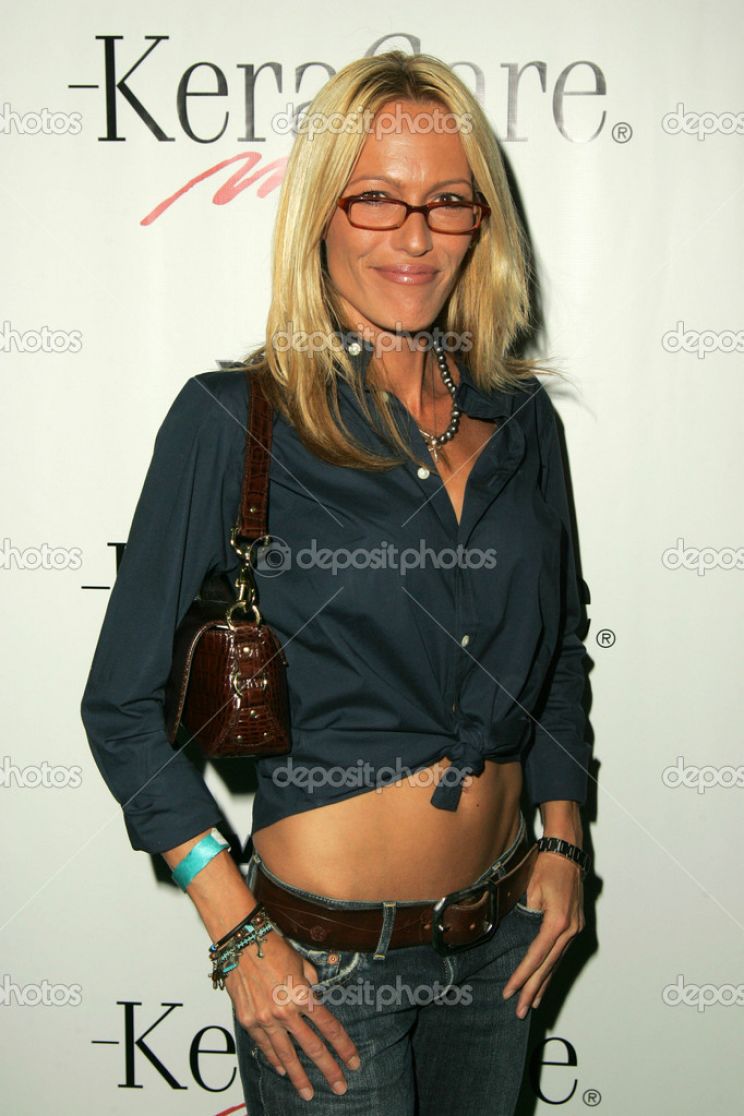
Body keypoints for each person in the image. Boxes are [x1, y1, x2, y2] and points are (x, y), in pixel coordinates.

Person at [80, 50, 591, 1115]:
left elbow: (559, 650)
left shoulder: (521, 419)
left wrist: (563, 833)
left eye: (447, 201)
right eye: (376, 199)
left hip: (502, 940)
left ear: (482, 221)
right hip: (324, 973)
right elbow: (120, 707)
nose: (415, 236)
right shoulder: (232, 420)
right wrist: (236, 929)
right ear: (320, 212)